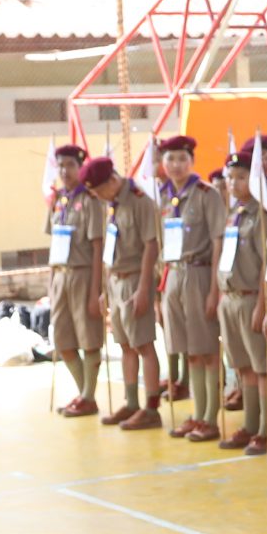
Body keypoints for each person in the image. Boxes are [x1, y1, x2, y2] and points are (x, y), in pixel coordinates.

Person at [153, 136, 227, 441]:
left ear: (192, 162)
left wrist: (214, 290)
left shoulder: (206, 195)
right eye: (170, 159)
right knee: (189, 352)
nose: (176, 165)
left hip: (199, 275)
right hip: (172, 276)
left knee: (207, 349)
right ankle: (197, 414)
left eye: (182, 159)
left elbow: (218, 242)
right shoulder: (162, 196)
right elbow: (160, 245)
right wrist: (160, 293)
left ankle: (211, 418)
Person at [85, 156, 164, 430]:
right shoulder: (112, 206)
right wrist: (105, 290)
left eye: (98, 190)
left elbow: (151, 246)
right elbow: (110, 249)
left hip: (134, 280)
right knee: (125, 345)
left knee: (143, 343)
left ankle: (152, 407)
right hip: (116, 281)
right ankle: (131, 403)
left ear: (112, 180)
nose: (98, 196)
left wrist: (144, 289)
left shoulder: (141, 202)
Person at [44, 142, 107, 417]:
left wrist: (96, 290)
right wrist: (50, 283)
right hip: (60, 276)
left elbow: (97, 247)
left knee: (88, 337)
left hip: (83, 275)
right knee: (63, 340)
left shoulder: (90, 200)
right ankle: (85, 395)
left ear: (81, 168)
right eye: (60, 165)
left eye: (70, 165)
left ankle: (88, 396)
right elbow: (53, 244)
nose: (64, 170)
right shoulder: (58, 200)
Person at [218, 147, 267, 451]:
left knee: (262, 367)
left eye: (241, 178)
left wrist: (263, 306)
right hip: (231, 297)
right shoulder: (234, 214)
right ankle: (250, 425)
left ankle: (266, 429)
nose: (234, 183)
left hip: (252, 298)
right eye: (230, 177)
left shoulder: (262, 216)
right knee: (242, 367)